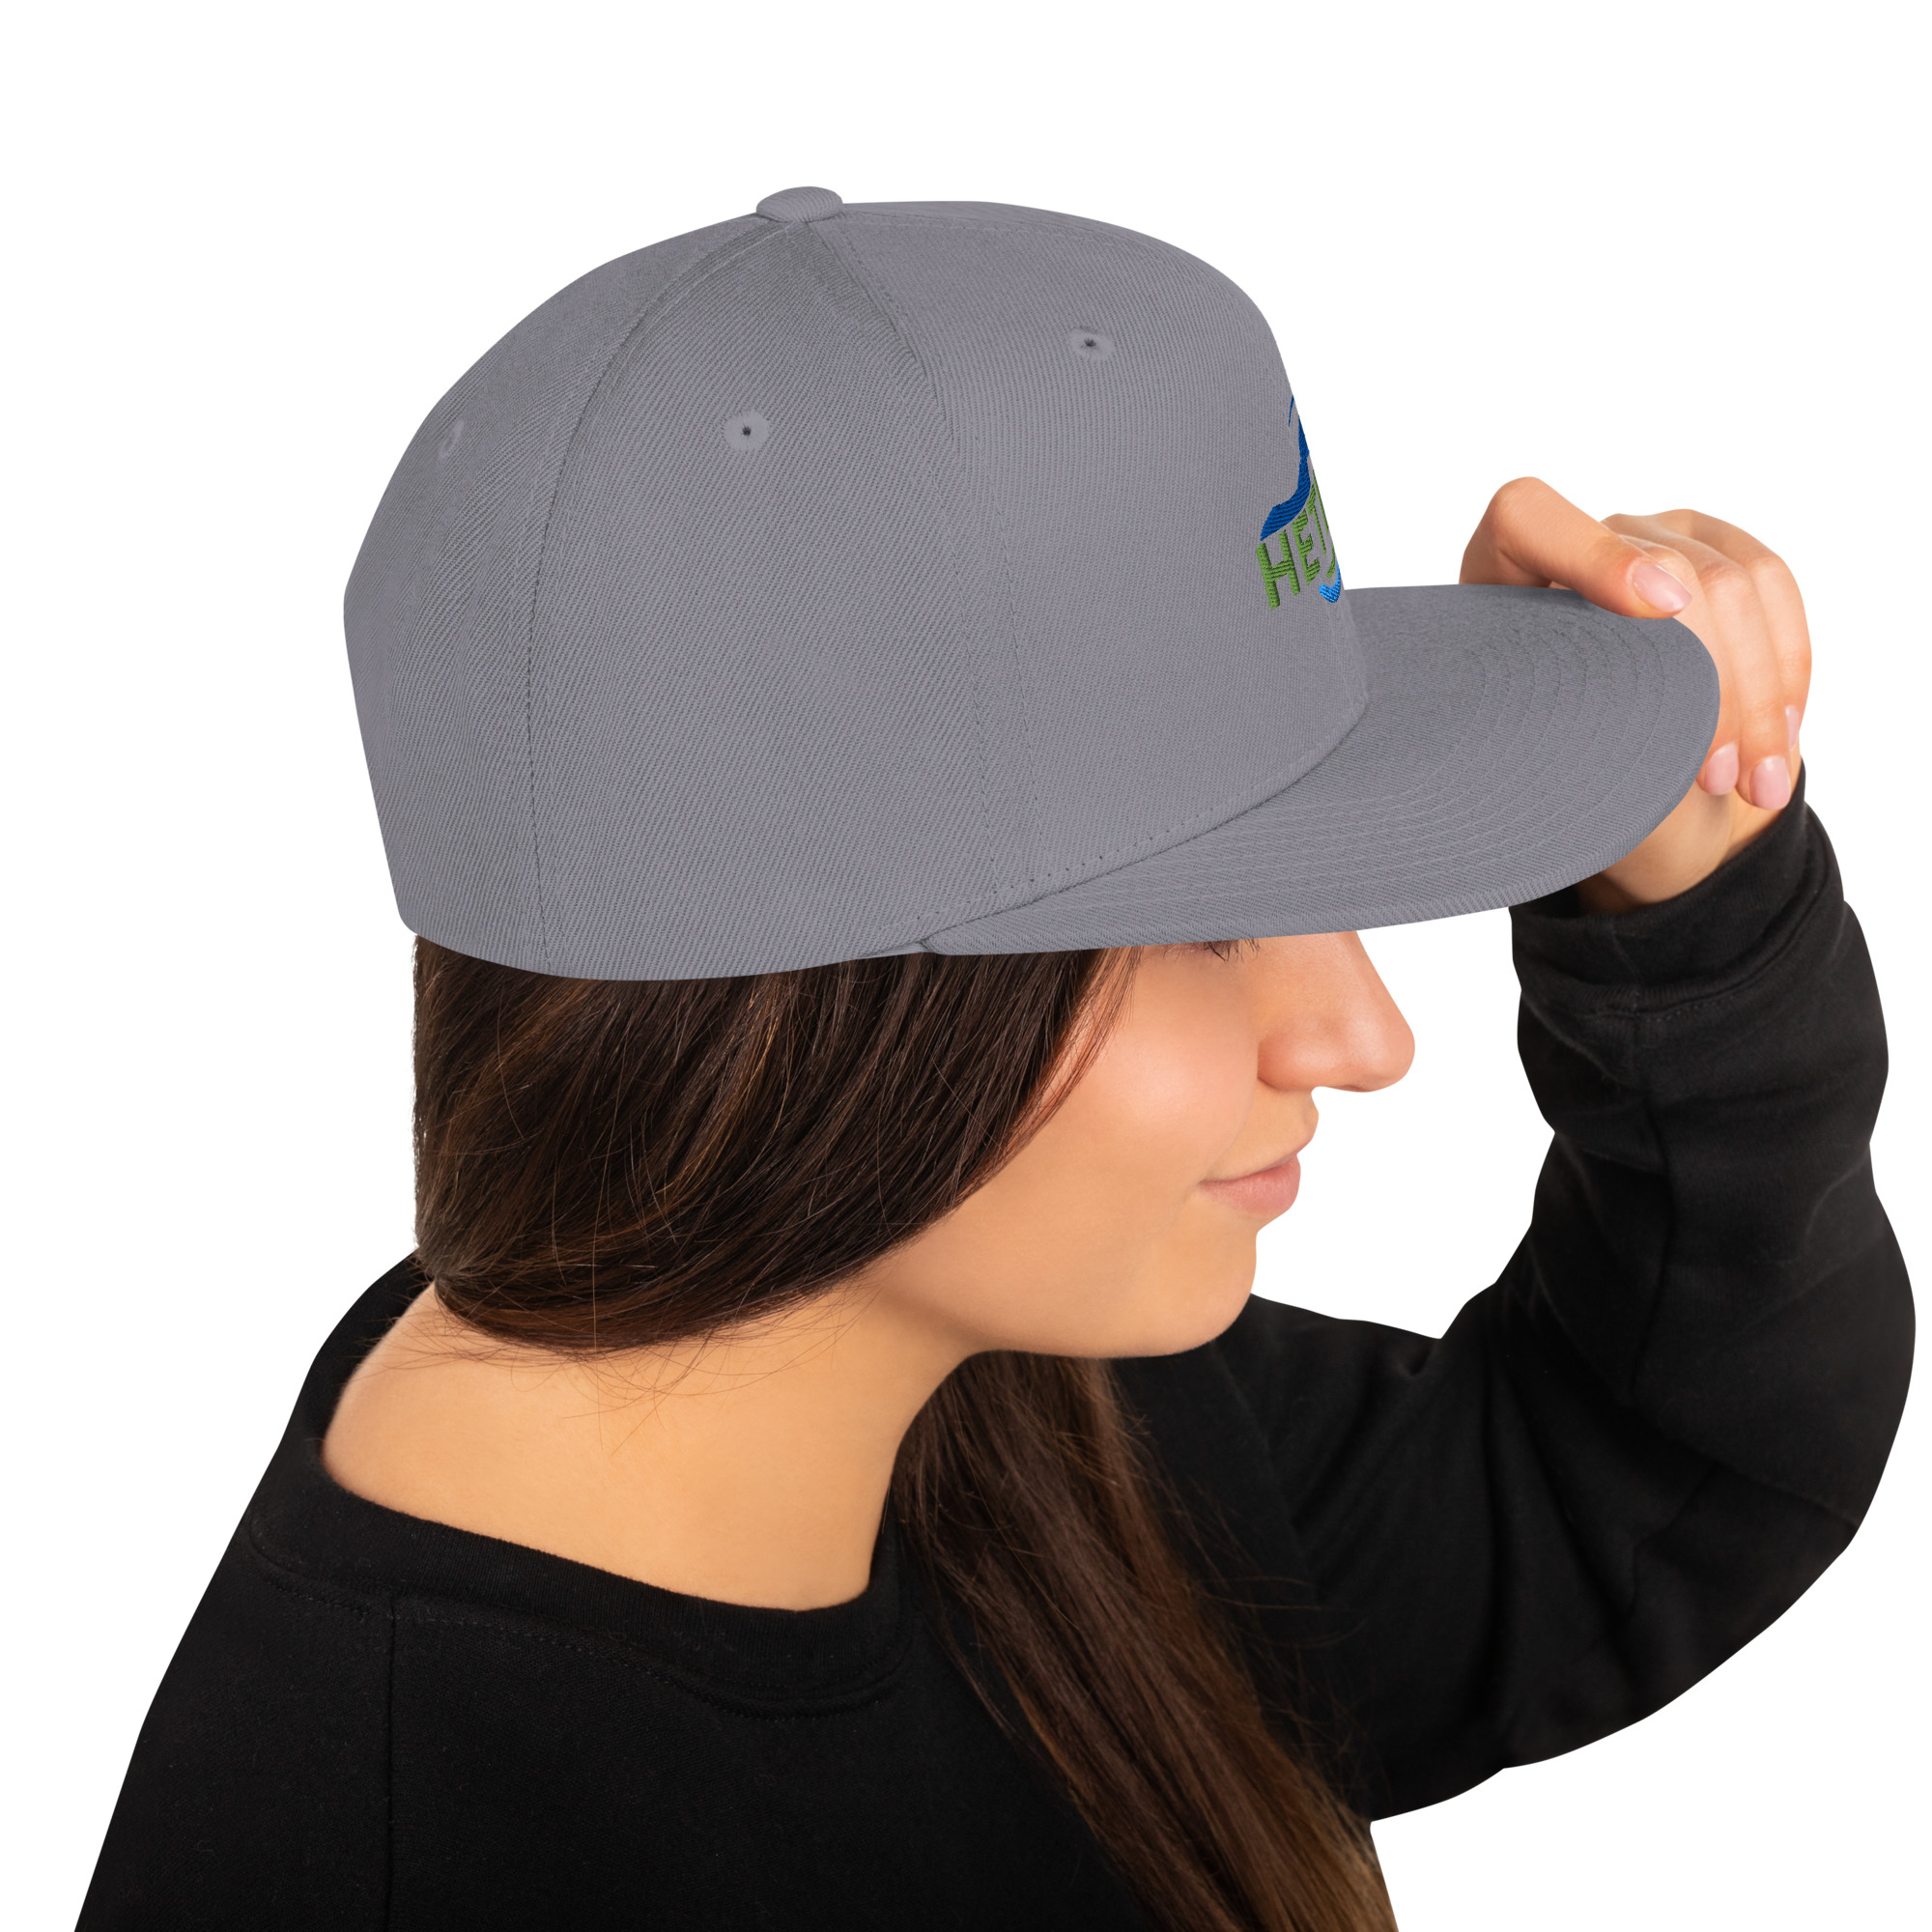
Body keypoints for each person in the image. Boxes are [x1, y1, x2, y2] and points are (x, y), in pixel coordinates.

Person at [78, 188, 1911, 1932]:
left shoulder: (987, 1394)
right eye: (1210, 922)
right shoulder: (405, 1862)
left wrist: (1693, 905)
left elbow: (1632, 1481)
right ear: (813, 1007)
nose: (1365, 1038)